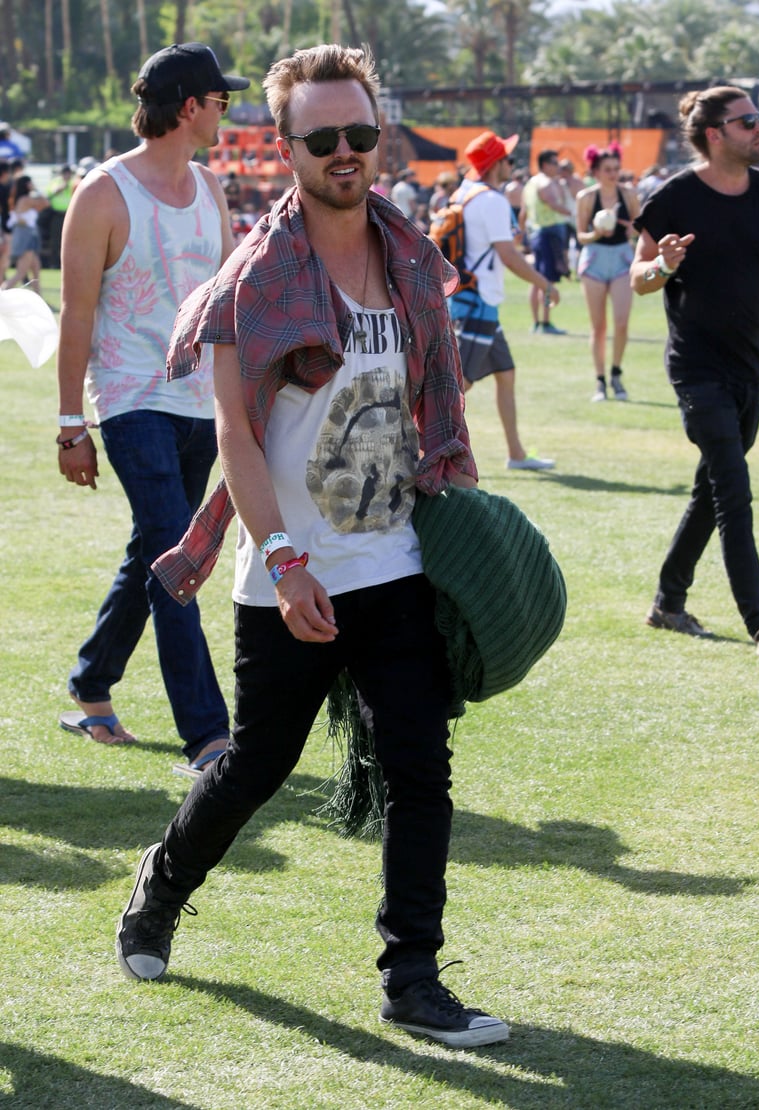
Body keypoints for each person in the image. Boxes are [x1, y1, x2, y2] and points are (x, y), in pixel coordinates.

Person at [115, 43, 510, 1050]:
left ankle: (412, 977)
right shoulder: (253, 283)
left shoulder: (412, 261)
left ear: (379, 138)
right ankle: (159, 889)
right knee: (257, 765)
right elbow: (239, 442)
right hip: (288, 573)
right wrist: (284, 559)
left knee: (421, 768)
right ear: (285, 146)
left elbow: (434, 411)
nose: (346, 152)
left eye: (361, 134)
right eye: (323, 137)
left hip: (396, 566)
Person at [55, 42, 250, 768]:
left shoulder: (211, 188)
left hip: (202, 403)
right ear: (190, 106)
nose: (227, 110)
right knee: (180, 558)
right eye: (220, 99)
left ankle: (91, 683)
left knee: (156, 549)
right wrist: (71, 426)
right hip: (132, 398)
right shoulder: (102, 193)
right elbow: (76, 316)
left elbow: (227, 299)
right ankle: (208, 734)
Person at [631, 85, 759, 658]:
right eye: (747, 120)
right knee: (734, 490)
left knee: (711, 490)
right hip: (697, 371)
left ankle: (668, 603)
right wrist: (662, 265)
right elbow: (639, 279)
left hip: (751, 367)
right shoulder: (675, 197)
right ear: (714, 133)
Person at [449, 130, 558, 471]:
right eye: (508, 158)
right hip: (479, 303)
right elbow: (508, 255)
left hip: (473, 300)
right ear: (496, 164)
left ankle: (516, 454)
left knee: (505, 374)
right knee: (456, 388)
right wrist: (544, 284)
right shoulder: (492, 201)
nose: (513, 162)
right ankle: (425, 455)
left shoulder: (465, 192)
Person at [575, 143, 640, 402]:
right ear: (596, 171)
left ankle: (616, 373)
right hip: (595, 259)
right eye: (607, 169)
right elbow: (581, 235)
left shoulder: (629, 195)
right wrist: (596, 233)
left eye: (616, 168)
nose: (613, 173)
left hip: (623, 257)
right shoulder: (587, 197)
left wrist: (629, 228)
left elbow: (638, 225)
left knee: (622, 322)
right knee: (598, 326)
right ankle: (600, 381)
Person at [520, 149, 569, 334]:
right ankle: (546, 323)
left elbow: (523, 214)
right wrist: (574, 213)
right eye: (555, 163)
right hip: (549, 233)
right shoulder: (546, 183)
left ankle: (536, 322)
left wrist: (521, 233)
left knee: (536, 279)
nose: (558, 167)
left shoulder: (530, 184)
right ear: (546, 164)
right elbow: (553, 203)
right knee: (547, 280)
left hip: (536, 234)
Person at [1, 174, 49, 294]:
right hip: (25, 236)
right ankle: (2, 292)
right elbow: (46, 203)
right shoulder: (25, 199)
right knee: (21, 273)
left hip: (29, 235)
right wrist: (35, 189)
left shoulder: (22, 199)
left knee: (36, 270)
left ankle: (40, 300)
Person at [44, 163, 77, 269]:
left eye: (68, 173)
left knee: (71, 240)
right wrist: (61, 187)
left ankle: (67, 264)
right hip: (57, 214)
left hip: (71, 214)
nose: (67, 175)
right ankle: (54, 263)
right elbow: (49, 194)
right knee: (55, 239)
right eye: (65, 173)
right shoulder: (56, 182)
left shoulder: (74, 183)